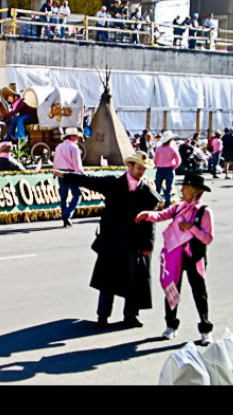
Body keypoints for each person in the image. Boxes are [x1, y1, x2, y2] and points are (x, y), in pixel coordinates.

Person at [55, 151, 162, 328]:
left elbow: (150, 222)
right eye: (138, 168)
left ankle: (130, 316)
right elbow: (89, 180)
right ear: (129, 167)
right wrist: (66, 175)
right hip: (112, 239)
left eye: (144, 169)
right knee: (108, 280)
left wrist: (148, 246)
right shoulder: (113, 183)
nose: (141, 172)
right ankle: (103, 316)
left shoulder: (147, 193)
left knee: (133, 281)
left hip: (133, 243)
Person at [135, 173, 215, 344]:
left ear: (195, 191)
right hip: (174, 254)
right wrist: (147, 214)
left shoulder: (204, 212)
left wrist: (191, 228)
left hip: (194, 257)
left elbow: (207, 238)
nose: (182, 191)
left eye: (185, 188)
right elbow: (162, 214)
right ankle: (171, 325)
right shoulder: (179, 207)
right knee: (172, 289)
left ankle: (205, 329)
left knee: (199, 293)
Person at [53, 128, 85, 227]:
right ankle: (67, 214)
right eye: (76, 137)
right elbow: (77, 163)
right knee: (77, 194)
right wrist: (81, 173)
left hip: (60, 172)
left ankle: (65, 215)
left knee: (64, 196)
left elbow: (56, 160)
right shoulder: (74, 147)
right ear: (71, 137)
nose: (78, 139)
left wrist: (55, 171)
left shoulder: (59, 146)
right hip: (70, 172)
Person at [154, 131, 181, 208]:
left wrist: (157, 165)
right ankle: (167, 205)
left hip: (160, 169)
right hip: (169, 169)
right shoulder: (173, 148)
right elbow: (178, 160)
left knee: (157, 188)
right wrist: (174, 167)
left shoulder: (159, 148)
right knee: (168, 189)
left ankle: (156, 204)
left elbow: (155, 159)